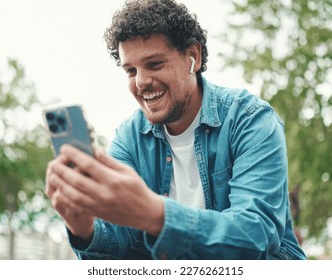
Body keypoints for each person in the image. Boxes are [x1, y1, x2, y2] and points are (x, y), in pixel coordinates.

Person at [45, 0, 306, 260]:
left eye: (155, 64)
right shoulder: (129, 138)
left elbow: (256, 235)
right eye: (130, 71)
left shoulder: (250, 119)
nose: (141, 82)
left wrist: (154, 213)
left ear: (193, 57)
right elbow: (116, 248)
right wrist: (83, 227)